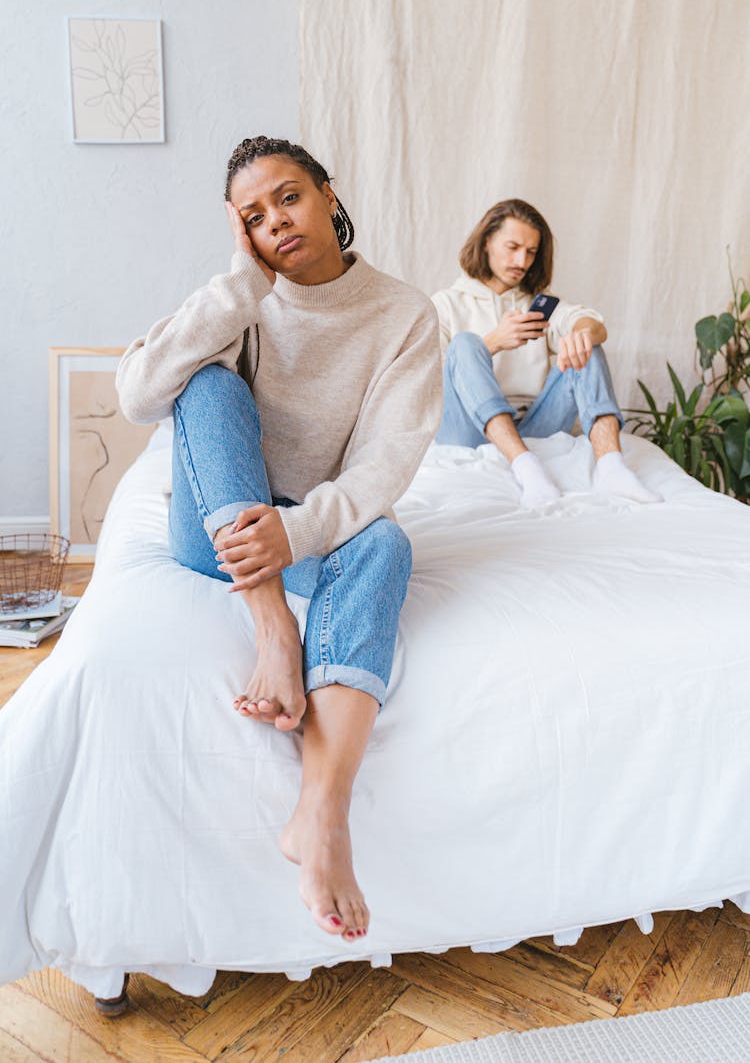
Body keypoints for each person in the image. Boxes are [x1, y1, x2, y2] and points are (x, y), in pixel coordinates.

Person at [117, 135, 442, 945]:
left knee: (388, 546)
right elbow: (137, 395)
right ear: (242, 232)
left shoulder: (403, 313)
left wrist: (297, 529)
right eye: (254, 216)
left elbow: (386, 463)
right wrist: (239, 286)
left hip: (303, 524)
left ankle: (320, 815)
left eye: (289, 198)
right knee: (208, 382)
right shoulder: (242, 297)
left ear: (329, 194)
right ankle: (273, 630)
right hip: (218, 526)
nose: (278, 222)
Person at [431, 198, 660, 506]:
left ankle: (612, 468)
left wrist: (583, 333)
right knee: (465, 344)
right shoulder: (445, 304)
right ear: (487, 243)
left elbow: (592, 323)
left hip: (533, 426)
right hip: (465, 429)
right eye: (512, 247)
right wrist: (494, 341)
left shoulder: (538, 304)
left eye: (531, 252)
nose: (522, 261)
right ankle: (526, 467)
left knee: (584, 342)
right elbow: (430, 379)